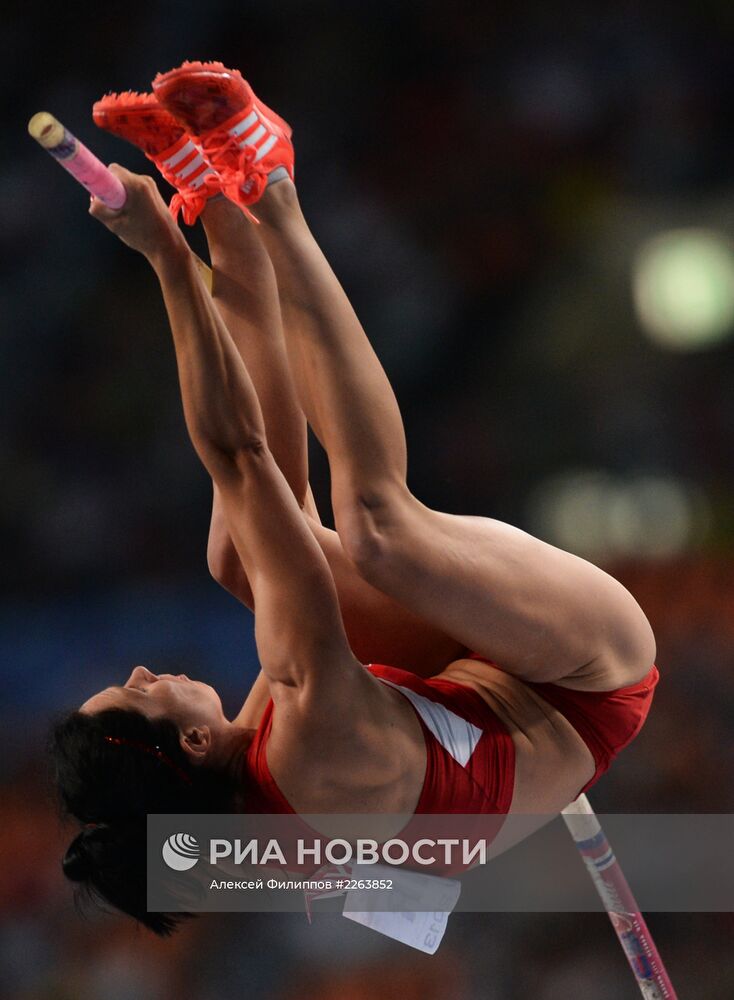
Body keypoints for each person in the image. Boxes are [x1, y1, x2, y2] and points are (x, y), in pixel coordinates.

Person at [51, 62, 658, 935]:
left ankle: (214, 193)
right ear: (186, 747)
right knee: (376, 531)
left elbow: (266, 490)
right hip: (584, 676)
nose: (142, 671)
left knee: (237, 557)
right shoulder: (310, 742)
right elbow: (240, 453)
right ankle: (274, 185)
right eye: (137, 693)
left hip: (468, 676)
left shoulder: (243, 788)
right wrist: (165, 264)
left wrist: (202, 228)